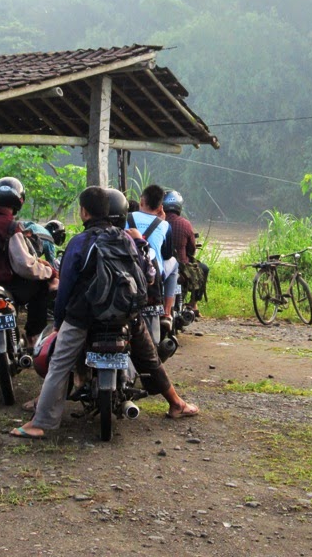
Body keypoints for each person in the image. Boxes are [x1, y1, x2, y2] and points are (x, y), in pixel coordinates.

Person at [14, 187, 198, 439]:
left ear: (84, 212)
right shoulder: (127, 239)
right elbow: (149, 276)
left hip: (83, 317)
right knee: (150, 358)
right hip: (125, 315)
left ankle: (40, 423)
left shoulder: (79, 242)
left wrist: (59, 323)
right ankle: (177, 404)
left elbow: (65, 289)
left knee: (59, 364)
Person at [0, 177, 56, 345]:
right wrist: (49, 272)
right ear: (19, 201)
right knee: (41, 285)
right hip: (2, 286)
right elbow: (25, 266)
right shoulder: (10, 226)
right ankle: (33, 336)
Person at [128, 184, 178, 325]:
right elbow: (167, 255)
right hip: (154, 274)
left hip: (129, 270)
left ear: (141, 201)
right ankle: (167, 312)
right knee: (174, 264)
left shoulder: (127, 218)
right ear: (160, 206)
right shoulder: (165, 225)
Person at [162, 189, 209, 316]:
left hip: (161, 266)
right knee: (204, 268)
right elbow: (191, 249)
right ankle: (193, 303)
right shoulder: (185, 224)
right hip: (183, 269)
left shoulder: (159, 223)